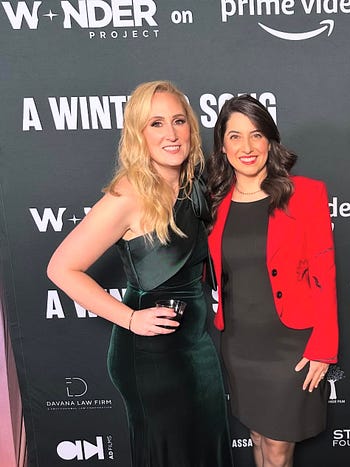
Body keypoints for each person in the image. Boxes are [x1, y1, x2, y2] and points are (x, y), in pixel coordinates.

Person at [47, 81, 233, 467]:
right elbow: (61, 268)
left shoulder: (194, 183)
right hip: (152, 355)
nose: (171, 133)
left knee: (206, 449)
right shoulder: (128, 194)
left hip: (197, 344)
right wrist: (130, 318)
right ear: (138, 134)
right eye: (156, 124)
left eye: (178, 121)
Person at [207, 94, 338, 467]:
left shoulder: (305, 193)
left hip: (290, 345)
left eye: (256, 135)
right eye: (234, 136)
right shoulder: (215, 201)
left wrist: (324, 347)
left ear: (270, 140)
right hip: (239, 344)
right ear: (223, 146)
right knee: (258, 436)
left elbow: (324, 273)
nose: (246, 147)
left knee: (278, 448)